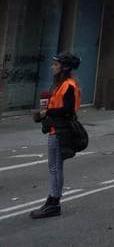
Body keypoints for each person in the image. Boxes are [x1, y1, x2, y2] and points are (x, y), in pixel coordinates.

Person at [31, 52, 82, 219]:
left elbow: (67, 110)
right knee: (55, 167)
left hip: (60, 131)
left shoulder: (68, 85)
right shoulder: (61, 84)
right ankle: (52, 200)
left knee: (55, 167)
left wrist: (47, 113)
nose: (52, 66)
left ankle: (53, 202)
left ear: (65, 67)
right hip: (56, 129)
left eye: (56, 64)